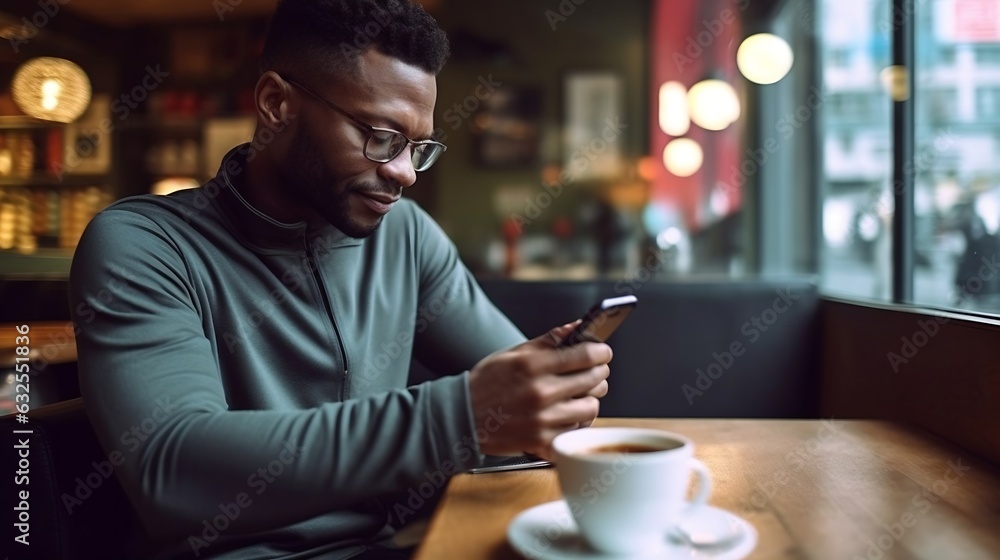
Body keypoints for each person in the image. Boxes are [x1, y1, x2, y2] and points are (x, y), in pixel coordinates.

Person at [68, 1, 613, 559]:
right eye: (381, 136)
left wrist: (552, 391)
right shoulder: (144, 245)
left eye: (418, 148)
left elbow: (518, 392)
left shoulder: (404, 236)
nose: (403, 173)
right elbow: (173, 470)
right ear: (277, 104)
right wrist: (459, 418)